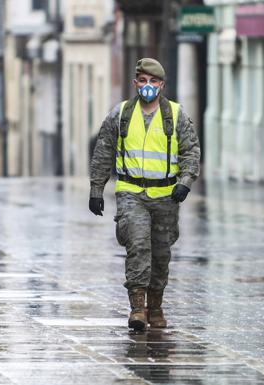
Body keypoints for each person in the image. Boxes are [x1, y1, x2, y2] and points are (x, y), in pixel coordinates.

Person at [88, 58, 200, 331]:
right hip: (131, 192)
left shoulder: (176, 114)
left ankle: (156, 306)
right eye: (142, 80)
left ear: (161, 85)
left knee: (160, 254)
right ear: (135, 83)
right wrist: (96, 189)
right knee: (137, 247)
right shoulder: (121, 114)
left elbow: (190, 150)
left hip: (166, 195)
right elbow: (103, 151)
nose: (147, 86)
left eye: (153, 81)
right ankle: (137, 308)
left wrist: (185, 181)